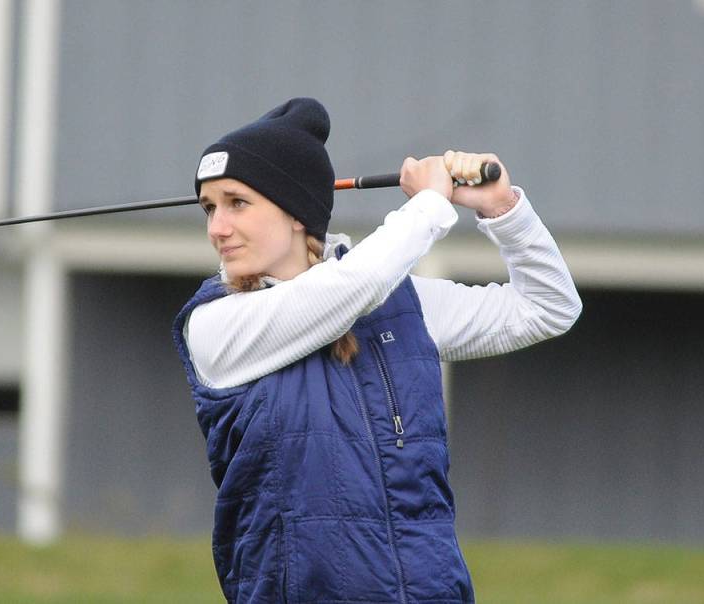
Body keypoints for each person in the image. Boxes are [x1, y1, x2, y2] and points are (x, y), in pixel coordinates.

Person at [172, 97, 581, 603]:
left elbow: (549, 307)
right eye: (209, 208)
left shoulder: (400, 305)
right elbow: (349, 289)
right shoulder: (216, 324)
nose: (217, 228)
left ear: (297, 212)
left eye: (237, 203)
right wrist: (428, 204)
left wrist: (503, 210)